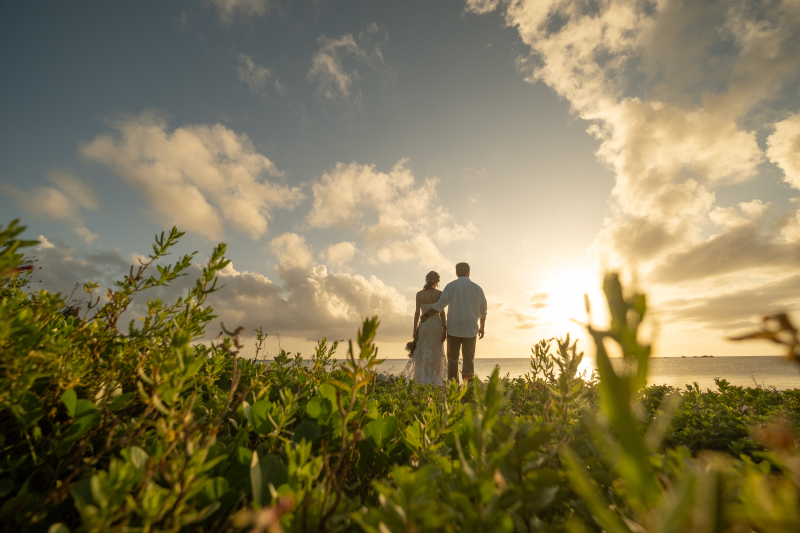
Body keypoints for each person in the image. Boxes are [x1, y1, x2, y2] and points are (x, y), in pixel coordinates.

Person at [420, 262, 486, 382]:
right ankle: (467, 386)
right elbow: (483, 310)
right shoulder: (477, 288)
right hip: (470, 329)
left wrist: (425, 315)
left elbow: (440, 305)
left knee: (452, 359)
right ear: (468, 272)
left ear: (456, 273)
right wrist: (482, 327)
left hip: (454, 329)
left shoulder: (451, 286)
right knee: (468, 359)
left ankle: (453, 386)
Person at [401, 271, 448, 385]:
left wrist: (414, 331)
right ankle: (436, 381)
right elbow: (442, 314)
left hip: (425, 328)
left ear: (426, 280)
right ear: (437, 281)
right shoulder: (440, 293)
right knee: (436, 354)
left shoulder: (419, 294)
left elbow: (417, 313)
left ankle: (422, 382)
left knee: (423, 355)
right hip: (436, 327)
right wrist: (444, 331)